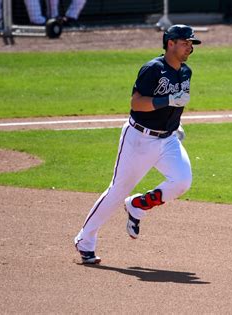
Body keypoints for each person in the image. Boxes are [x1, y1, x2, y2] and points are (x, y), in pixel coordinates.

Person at [73, 24, 201, 264]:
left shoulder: (186, 72)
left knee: (182, 181)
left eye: (191, 44)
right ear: (170, 43)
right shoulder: (153, 69)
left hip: (168, 139)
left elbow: (176, 106)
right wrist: (168, 100)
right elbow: (137, 103)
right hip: (139, 139)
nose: (189, 48)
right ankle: (85, 240)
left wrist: (176, 123)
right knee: (117, 190)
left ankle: (137, 204)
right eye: (185, 42)